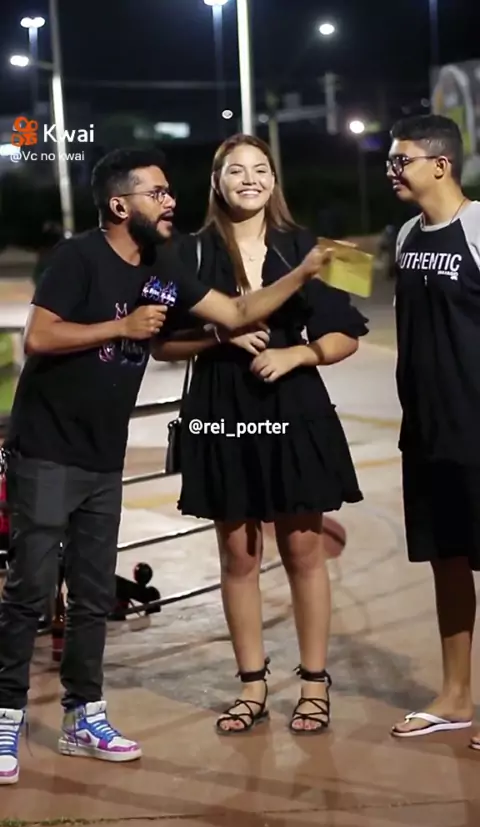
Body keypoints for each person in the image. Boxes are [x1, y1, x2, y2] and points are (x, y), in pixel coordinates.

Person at [0, 147, 333, 785]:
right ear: (119, 204)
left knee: (93, 596)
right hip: (47, 449)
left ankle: (83, 716)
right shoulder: (78, 257)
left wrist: (299, 275)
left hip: (103, 455)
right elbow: (39, 337)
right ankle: (6, 716)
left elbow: (236, 313)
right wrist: (119, 326)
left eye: (169, 191)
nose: (170, 201)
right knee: (30, 592)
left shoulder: (165, 262)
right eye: (156, 193)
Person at [153, 134, 368, 735]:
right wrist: (215, 339)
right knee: (238, 555)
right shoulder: (186, 252)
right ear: (216, 182)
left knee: (303, 550)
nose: (250, 179)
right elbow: (161, 344)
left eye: (261, 169)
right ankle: (251, 685)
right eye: (236, 170)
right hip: (221, 410)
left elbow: (348, 333)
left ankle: (315, 684)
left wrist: (298, 354)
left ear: (274, 181)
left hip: (294, 407)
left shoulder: (315, 248)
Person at [386, 115, 480, 744]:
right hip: (425, 430)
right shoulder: (406, 235)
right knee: (447, 560)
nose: (392, 171)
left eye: (403, 161)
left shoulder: (478, 227)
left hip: (477, 426)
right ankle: (455, 695)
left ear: (441, 165)